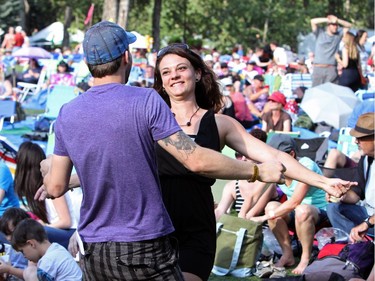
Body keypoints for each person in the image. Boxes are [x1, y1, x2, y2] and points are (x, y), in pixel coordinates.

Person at [35, 21, 286, 281]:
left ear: (88, 63)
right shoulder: (144, 100)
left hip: (95, 251)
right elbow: (196, 159)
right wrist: (256, 170)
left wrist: (49, 167)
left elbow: (54, 188)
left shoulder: (68, 112)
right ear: (126, 57)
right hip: (143, 247)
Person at [152, 43, 354, 281]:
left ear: (197, 73)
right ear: (162, 82)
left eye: (181, 68)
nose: (174, 75)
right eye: (166, 72)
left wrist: (323, 182)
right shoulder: (150, 120)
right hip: (154, 227)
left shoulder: (219, 124)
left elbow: (276, 157)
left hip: (196, 228)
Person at [251, 134, 329, 275]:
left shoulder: (306, 165)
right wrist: (246, 216)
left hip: (319, 211)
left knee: (302, 210)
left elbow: (295, 201)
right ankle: (288, 255)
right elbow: (256, 194)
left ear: (291, 154)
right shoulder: (276, 169)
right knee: (271, 207)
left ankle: (305, 258)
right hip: (296, 210)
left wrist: (262, 218)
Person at [14, 142, 79, 249]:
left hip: (70, 233)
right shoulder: (38, 188)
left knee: (30, 233)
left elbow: (66, 221)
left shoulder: (52, 185)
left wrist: (41, 227)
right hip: (60, 232)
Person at [327, 113, 374, 237]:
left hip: (371, 221)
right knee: (333, 208)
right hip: (368, 216)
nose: (355, 141)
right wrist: (341, 194)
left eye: (360, 137)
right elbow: (357, 194)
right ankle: (352, 244)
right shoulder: (366, 159)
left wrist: (367, 223)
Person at [215, 129, 279, 220]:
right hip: (242, 230)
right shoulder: (232, 186)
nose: (243, 158)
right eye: (239, 154)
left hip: (262, 230)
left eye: (247, 154)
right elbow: (220, 211)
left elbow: (250, 215)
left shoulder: (268, 184)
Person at [11, 218, 82, 281]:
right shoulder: (57, 248)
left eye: (22, 251)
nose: (24, 256)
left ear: (31, 244)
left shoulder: (47, 260)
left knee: (30, 272)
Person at [310, 14, 352, 87]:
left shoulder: (338, 35)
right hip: (318, 68)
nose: (335, 27)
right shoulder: (320, 33)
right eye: (333, 25)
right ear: (328, 25)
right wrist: (328, 19)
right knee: (316, 91)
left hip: (331, 68)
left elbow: (349, 25)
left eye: (336, 25)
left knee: (331, 91)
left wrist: (337, 20)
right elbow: (313, 21)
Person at [0, 208, 35, 280]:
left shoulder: (31, 247)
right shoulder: (9, 248)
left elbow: (32, 275)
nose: (8, 238)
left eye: (11, 233)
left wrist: (9, 270)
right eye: (6, 234)